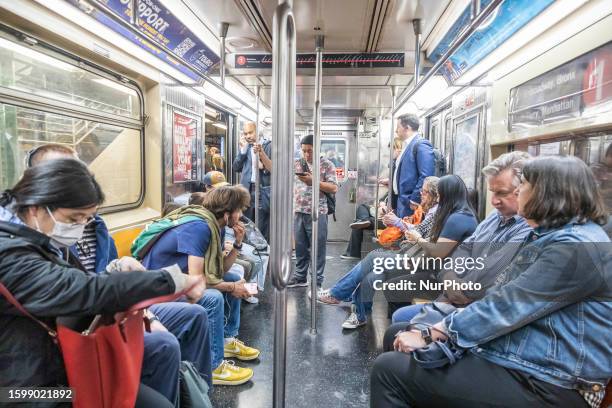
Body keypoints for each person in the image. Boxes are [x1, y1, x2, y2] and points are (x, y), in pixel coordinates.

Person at [370, 155, 611, 408]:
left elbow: (508, 304)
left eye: (523, 187)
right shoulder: (554, 237)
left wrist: (437, 332)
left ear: (546, 194)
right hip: (533, 360)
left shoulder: (575, 247)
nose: (518, 193)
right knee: (399, 334)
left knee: (389, 371)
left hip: (554, 381)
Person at [0, 159, 204, 408]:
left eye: (86, 219)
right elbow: (80, 290)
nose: (80, 228)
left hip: (54, 366)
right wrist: (175, 280)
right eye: (74, 219)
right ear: (36, 208)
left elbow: (75, 283)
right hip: (22, 393)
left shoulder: (35, 239)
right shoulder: (8, 253)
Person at [389, 151, 533, 325]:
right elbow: (466, 248)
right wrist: (448, 276)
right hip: (452, 290)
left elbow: (490, 271)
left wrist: (452, 287)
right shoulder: (494, 218)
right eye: (493, 193)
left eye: (502, 193)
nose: (494, 201)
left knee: (396, 309)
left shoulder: (527, 228)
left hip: (472, 307)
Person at [139, 186, 260, 386]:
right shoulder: (199, 227)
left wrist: (238, 244)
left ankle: (227, 340)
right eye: (240, 210)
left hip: (178, 280)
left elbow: (219, 271)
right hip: (158, 287)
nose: (241, 215)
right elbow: (196, 279)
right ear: (228, 212)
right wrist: (231, 288)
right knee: (213, 297)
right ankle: (213, 366)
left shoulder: (216, 227)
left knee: (231, 277)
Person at [316, 176, 448, 330]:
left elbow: (418, 233)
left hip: (418, 262)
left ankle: (337, 293)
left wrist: (398, 222)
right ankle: (359, 314)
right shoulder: (429, 210)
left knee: (373, 257)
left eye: (424, 193)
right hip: (414, 255)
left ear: (434, 196)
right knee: (372, 276)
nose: (420, 195)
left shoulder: (435, 213)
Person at [288, 134, 339, 288]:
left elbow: (334, 188)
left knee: (317, 247)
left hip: (317, 212)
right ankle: (300, 277)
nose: (307, 154)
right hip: (298, 211)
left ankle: (317, 279)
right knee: (301, 247)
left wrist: (314, 181)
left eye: (310, 151)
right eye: (304, 151)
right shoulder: (297, 163)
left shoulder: (326, 165)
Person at [342, 137, 405, 260]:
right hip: (385, 209)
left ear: (398, 149)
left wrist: (384, 207)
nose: (390, 154)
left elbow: (396, 195)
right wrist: (382, 202)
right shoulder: (395, 170)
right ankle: (363, 222)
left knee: (361, 214)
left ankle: (353, 251)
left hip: (390, 216)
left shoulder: (400, 167)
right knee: (360, 216)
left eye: (392, 150)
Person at [232, 121, 273, 240]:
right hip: (246, 191)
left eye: (250, 132)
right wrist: (243, 152)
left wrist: (261, 155)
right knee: (246, 223)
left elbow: (271, 169)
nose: (247, 136)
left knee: (261, 226)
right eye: (245, 134)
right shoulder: (245, 148)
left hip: (261, 190)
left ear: (257, 132)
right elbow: (236, 167)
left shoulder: (268, 145)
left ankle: (264, 253)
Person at [390, 114, 435, 217]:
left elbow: (426, 176)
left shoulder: (421, 145)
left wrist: (414, 199)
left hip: (410, 202)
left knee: (409, 231)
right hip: (401, 200)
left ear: (407, 128)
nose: (396, 131)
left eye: (398, 127)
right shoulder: (406, 146)